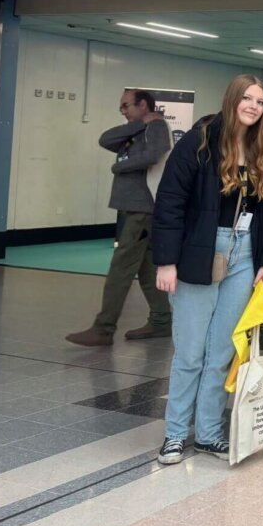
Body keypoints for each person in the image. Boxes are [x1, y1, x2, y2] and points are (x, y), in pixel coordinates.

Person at [152, 75, 263, 464]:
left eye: (260, 101)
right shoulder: (200, 140)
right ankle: (176, 434)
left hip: (245, 255)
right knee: (190, 352)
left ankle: (208, 433)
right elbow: (170, 201)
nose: (253, 106)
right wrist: (166, 261)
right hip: (199, 250)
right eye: (247, 98)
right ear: (232, 99)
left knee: (222, 352)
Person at [68, 89, 173, 347]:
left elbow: (153, 155)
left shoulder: (157, 127)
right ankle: (161, 320)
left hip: (143, 209)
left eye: (127, 106)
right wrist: (138, 123)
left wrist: (119, 166)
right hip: (135, 208)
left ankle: (103, 328)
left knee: (121, 268)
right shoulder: (138, 129)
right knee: (146, 268)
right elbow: (106, 139)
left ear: (143, 104)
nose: (122, 111)